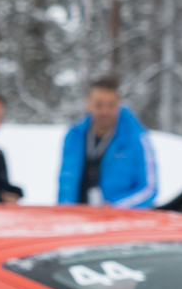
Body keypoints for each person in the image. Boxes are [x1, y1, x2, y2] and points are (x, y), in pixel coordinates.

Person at [59, 76, 158, 208]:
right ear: (88, 104)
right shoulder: (74, 136)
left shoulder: (136, 138)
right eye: (99, 104)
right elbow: (65, 185)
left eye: (111, 105)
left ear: (118, 104)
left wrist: (114, 207)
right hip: (77, 217)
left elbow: (149, 189)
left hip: (120, 218)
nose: (105, 111)